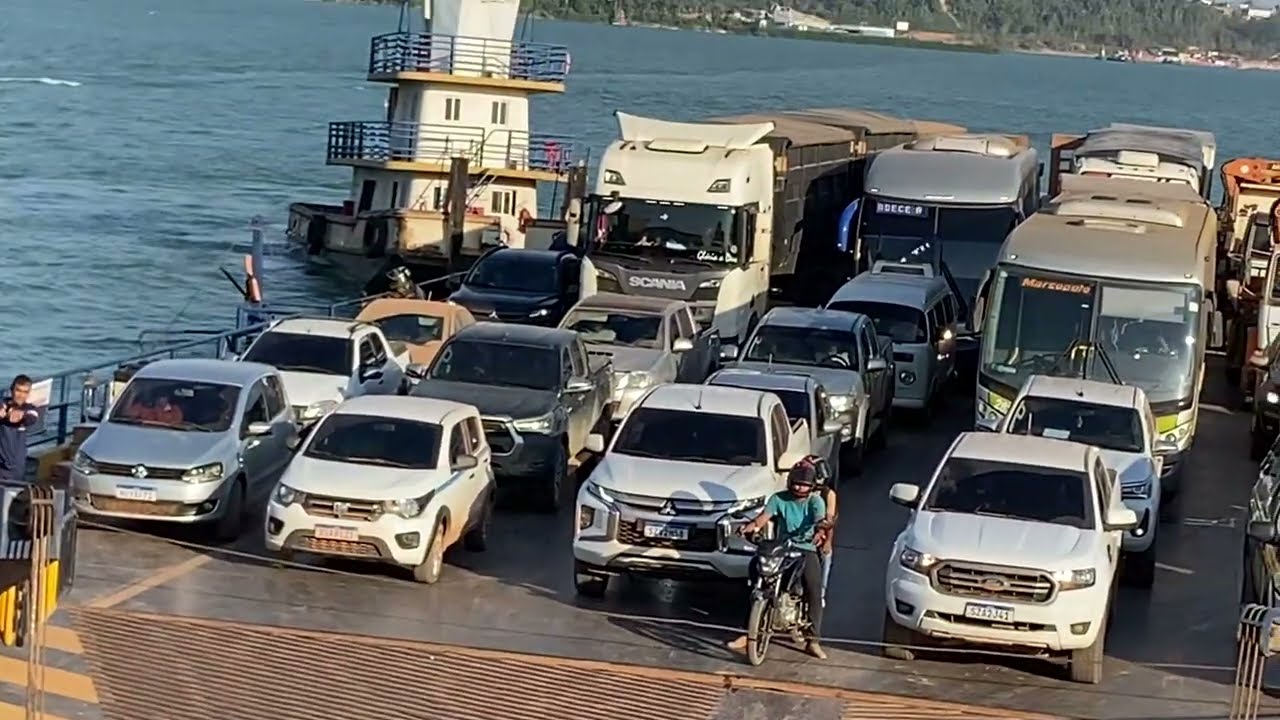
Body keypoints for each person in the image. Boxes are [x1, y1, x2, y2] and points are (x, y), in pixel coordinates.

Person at [727, 459, 830, 660]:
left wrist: (819, 531)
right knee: (755, 577)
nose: (799, 488)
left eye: (804, 485)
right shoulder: (778, 498)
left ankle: (813, 640)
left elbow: (820, 520)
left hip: (806, 549)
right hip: (780, 548)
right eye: (796, 483)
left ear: (812, 486)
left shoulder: (816, 501)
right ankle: (748, 633)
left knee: (814, 589)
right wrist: (749, 527)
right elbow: (762, 518)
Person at [0, 375, 41, 483]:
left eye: (25, 392)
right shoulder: (3, 404)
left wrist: (20, 415)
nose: (21, 395)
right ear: (12, 390)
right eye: (18, 390)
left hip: (15, 467)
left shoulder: (30, 409)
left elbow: (32, 417)